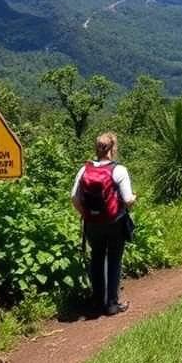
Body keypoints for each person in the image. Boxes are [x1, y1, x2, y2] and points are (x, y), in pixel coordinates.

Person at [72, 131, 136, 316]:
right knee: (114, 259)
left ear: (96, 148)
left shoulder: (85, 169)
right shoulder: (119, 170)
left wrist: (86, 214)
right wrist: (133, 199)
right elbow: (127, 199)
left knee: (97, 258)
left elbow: (73, 197)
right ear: (113, 148)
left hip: (92, 223)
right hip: (114, 222)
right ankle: (112, 304)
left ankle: (97, 300)